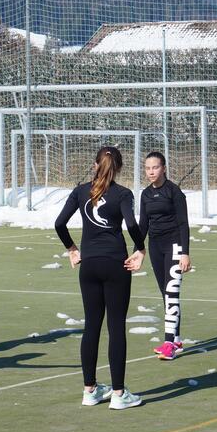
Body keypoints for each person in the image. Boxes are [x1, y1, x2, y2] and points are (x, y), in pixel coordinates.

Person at [55, 146, 146, 410]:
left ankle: (90, 390)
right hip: (115, 264)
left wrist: (72, 249)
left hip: (89, 266)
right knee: (116, 326)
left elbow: (59, 224)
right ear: (118, 168)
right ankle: (118, 394)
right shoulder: (123, 193)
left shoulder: (81, 191)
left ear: (95, 165)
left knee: (91, 326)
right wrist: (140, 249)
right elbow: (131, 225)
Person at [137, 151, 192, 360]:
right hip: (155, 246)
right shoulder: (146, 194)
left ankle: (169, 343)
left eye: (155, 167)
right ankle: (176, 339)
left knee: (172, 292)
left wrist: (185, 253)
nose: (151, 172)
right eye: (148, 168)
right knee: (165, 292)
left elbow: (183, 224)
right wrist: (137, 248)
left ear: (164, 168)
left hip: (175, 245)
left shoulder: (174, 192)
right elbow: (143, 225)